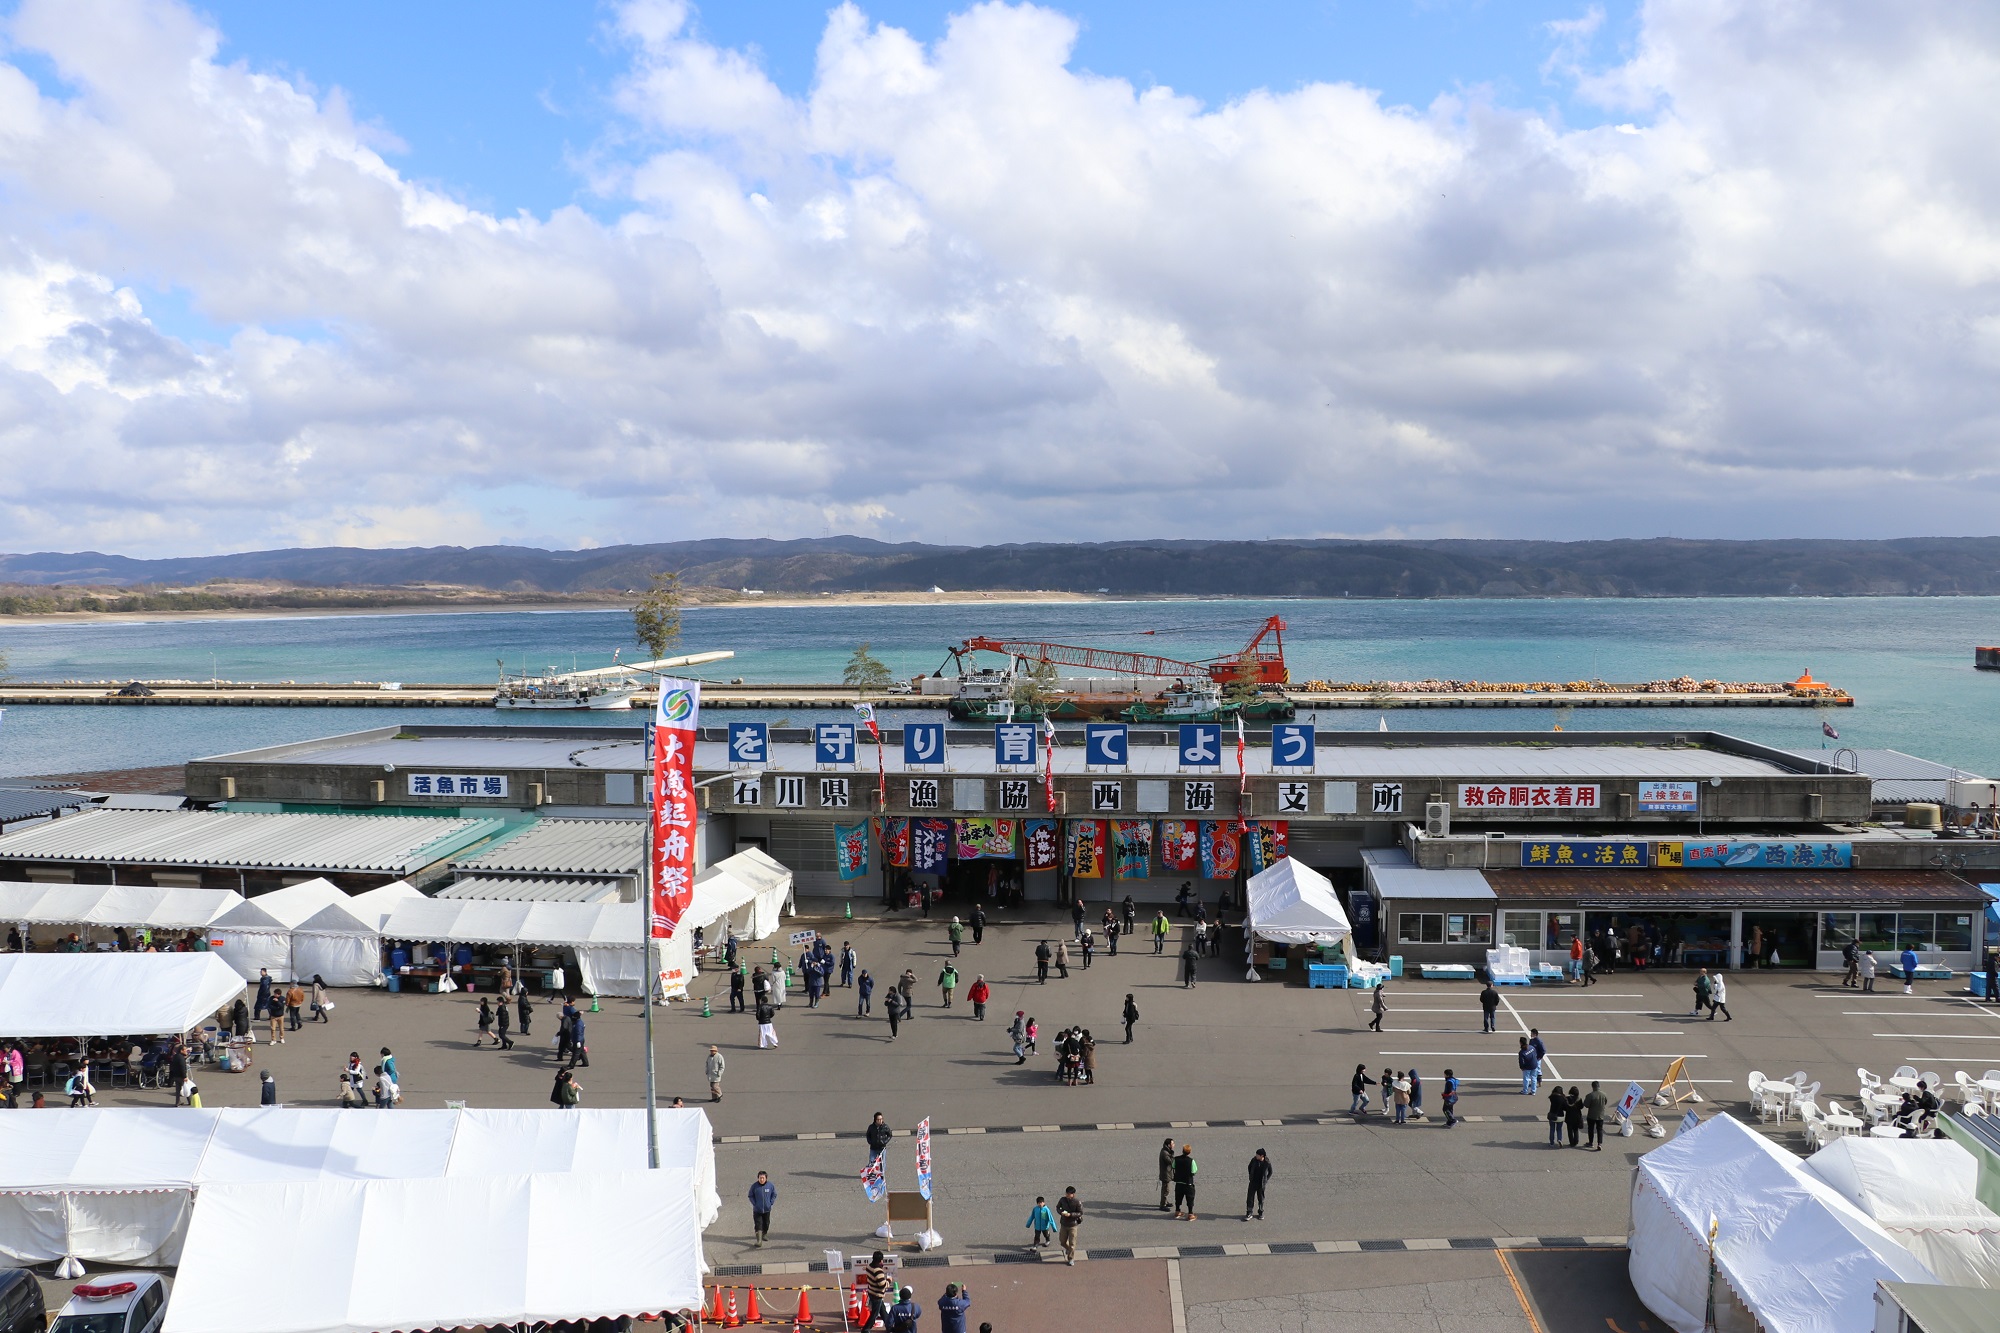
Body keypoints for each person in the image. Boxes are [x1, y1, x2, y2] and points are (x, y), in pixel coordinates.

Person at [864, 1252, 895, 1330]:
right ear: (881, 1260)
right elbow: (882, 1285)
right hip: (877, 1294)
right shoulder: (878, 1271)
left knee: (883, 1312)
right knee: (874, 1315)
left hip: (871, 1291)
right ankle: (866, 1329)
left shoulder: (869, 1266)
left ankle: (889, 1326)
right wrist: (888, 1280)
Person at [1055, 1185, 1084, 1264]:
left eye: (1069, 1194)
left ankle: (1071, 1258)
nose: (1067, 1195)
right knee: (1062, 1241)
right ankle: (1068, 1249)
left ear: (1073, 1194)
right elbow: (1058, 1207)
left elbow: (1080, 1213)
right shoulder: (1062, 1200)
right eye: (1066, 1193)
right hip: (1064, 1224)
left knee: (1072, 1243)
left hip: (1073, 1225)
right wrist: (1061, 1212)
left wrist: (1070, 1215)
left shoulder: (1077, 1202)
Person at [748, 1171, 776, 1247]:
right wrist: (755, 1204)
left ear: (766, 1178)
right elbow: (750, 1195)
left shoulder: (770, 1186)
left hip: (767, 1210)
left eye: (763, 1178)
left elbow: (774, 1194)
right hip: (757, 1210)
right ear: (758, 1178)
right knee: (758, 1224)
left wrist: (771, 1203)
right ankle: (759, 1241)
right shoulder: (754, 1186)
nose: (761, 1179)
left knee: (766, 1223)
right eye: (760, 1178)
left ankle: (764, 1234)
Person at [1244, 1148, 1273, 1221]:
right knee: (1250, 1198)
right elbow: (1249, 1167)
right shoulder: (1254, 1160)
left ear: (1262, 1156)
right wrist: (1251, 1176)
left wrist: (1266, 1180)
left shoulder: (1267, 1163)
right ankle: (1249, 1212)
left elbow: (1270, 1172)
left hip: (1261, 1184)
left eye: (1257, 1155)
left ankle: (1260, 1212)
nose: (1256, 1155)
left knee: (1261, 1198)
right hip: (1253, 1182)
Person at [1172, 1143, 1198, 1220]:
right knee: (1190, 1198)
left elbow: (1173, 1166)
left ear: (1182, 1151)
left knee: (1178, 1197)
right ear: (1189, 1152)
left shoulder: (1176, 1159)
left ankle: (1177, 1211)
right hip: (1188, 1183)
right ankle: (1190, 1214)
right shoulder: (1191, 1161)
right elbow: (1194, 1171)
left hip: (1179, 1182)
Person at [1582, 1080, 1607, 1150]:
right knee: (1600, 1129)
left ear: (1592, 1087)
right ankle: (1599, 1143)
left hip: (1591, 1115)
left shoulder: (1590, 1095)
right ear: (1599, 1086)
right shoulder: (1604, 1094)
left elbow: (1586, 1105)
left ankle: (1591, 1142)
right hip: (1601, 1115)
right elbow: (1605, 1102)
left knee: (1591, 1129)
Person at [1157, 1136, 1177, 1211]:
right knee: (1166, 1190)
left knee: (1166, 1189)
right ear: (1169, 1145)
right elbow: (1171, 1162)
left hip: (1167, 1173)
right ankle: (1162, 1205)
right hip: (1165, 1174)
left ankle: (1165, 1201)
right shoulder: (1165, 1153)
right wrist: (1172, 1155)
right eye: (1173, 1143)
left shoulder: (1166, 1151)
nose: (1174, 1145)